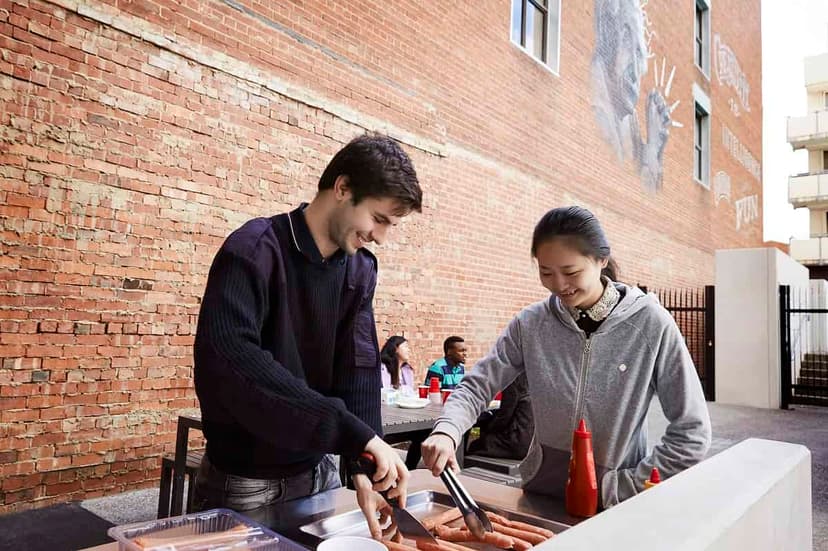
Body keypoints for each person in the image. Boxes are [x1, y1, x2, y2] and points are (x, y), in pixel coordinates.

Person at [192, 134, 423, 538]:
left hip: (320, 473)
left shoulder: (359, 270)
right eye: (379, 219)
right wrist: (353, 434)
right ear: (343, 187)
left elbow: (358, 368)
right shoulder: (253, 251)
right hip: (247, 481)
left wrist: (363, 465)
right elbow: (235, 366)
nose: (381, 236)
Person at [422, 206, 711, 509]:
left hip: (616, 505)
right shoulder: (531, 324)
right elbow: (476, 386)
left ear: (601, 260)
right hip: (541, 495)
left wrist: (622, 486)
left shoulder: (651, 324)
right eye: (546, 273)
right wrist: (447, 431)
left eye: (571, 272)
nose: (559, 285)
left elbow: (693, 432)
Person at [466, 373, 534, 460]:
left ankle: (462, 467)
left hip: (516, 443)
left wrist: (487, 428)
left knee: (475, 443)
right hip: (533, 445)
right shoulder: (536, 378)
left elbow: (504, 417)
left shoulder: (513, 380)